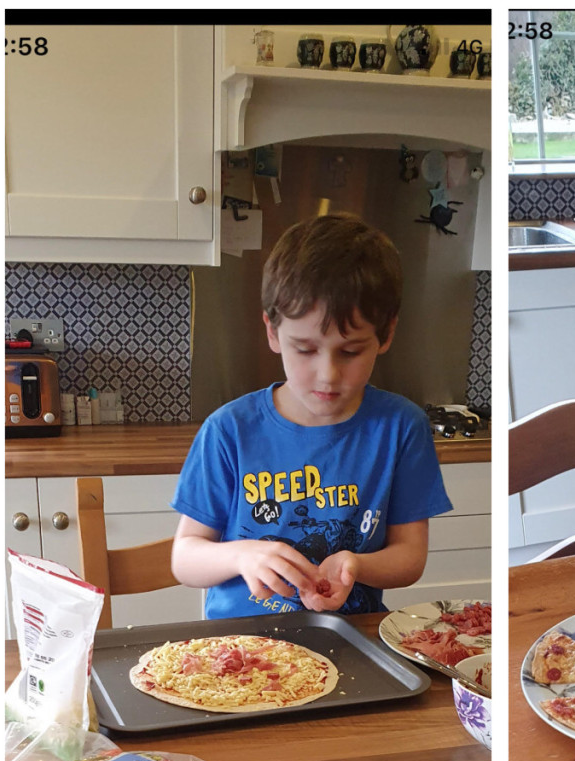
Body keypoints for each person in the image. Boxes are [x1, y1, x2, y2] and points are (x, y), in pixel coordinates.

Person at [170, 213, 452, 618]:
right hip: (243, 647)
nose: (328, 374)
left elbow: (410, 557)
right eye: (304, 349)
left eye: (351, 351)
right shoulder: (229, 430)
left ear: (386, 335)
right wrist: (241, 556)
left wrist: (357, 565)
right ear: (272, 332)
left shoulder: (401, 428)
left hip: (356, 640)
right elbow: (184, 557)